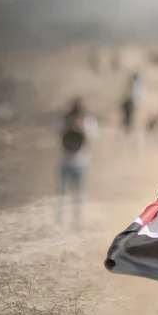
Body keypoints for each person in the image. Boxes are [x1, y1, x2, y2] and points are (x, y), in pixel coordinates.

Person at [56, 97, 97, 228]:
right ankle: (61, 219)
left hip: (77, 161)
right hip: (72, 160)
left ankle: (76, 220)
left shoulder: (86, 121)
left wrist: (81, 126)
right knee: (66, 193)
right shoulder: (67, 120)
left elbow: (91, 136)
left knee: (76, 193)